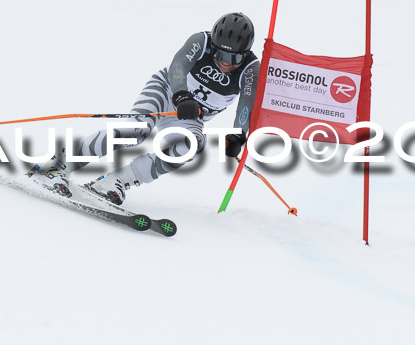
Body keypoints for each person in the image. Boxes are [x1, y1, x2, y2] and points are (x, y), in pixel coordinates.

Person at [28, 12, 259, 205]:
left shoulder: (250, 69)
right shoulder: (201, 41)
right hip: (167, 90)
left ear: (245, 52)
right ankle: (58, 165)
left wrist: (237, 137)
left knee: (193, 146)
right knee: (136, 132)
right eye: (221, 53)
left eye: (233, 56)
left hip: (190, 115)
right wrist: (181, 94)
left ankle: (117, 180)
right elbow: (178, 65)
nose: (226, 61)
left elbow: (245, 108)